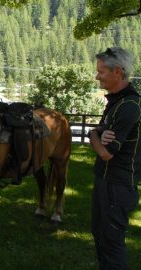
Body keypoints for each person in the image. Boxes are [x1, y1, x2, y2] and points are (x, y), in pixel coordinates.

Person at [89, 47, 141, 270]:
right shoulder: (116, 102)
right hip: (105, 180)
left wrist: (94, 135)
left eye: (101, 71)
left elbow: (105, 152)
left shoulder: (129, 106)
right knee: (100, 236)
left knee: (111, 244)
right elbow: (101, 133)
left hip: (118, 185)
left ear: (117, 72)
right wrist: (98, 133)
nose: (97, 75)